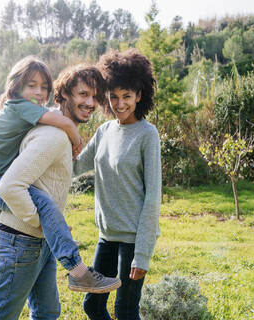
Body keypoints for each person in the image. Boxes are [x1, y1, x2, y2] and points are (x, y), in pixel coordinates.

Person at [0, 64, 121, 320]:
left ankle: (77, 271)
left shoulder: (50, 126)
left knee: (47, 313)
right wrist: (43, 223)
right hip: (21, 240)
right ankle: (79, 272)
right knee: (0, 316)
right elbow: (9, 186)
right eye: (83, 94)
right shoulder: (54, 135)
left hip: (37, 241)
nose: (90, 102)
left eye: (94, 96)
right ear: (65, 94)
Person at [73, 48, 162, 320]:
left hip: (133, 240)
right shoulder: (104, 131)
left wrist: (143, 254)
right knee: (93, 305)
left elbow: (153, 197)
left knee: (125, 311)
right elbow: (76, 167)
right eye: (113, 96)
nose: (119, 104)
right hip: (106, 237)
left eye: (126, 96)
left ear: (139, 95)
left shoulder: (147, 135)